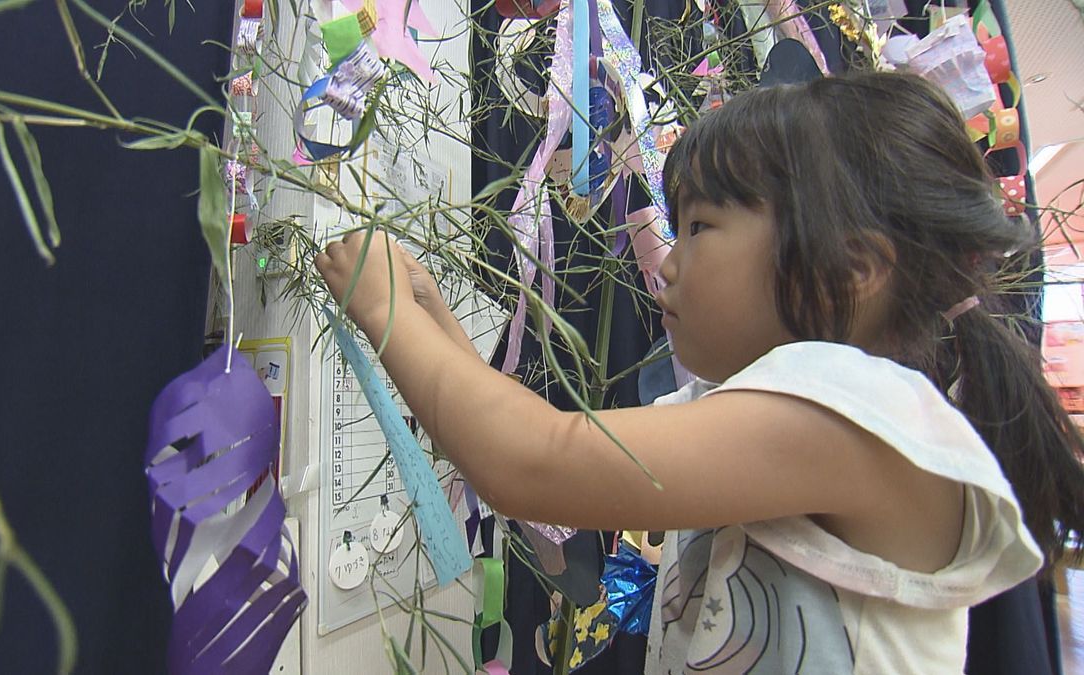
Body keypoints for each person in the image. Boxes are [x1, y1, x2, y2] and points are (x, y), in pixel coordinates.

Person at [315, 71, 1084, 673]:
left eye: (700, 227)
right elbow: (544, 462)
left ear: (852, 269)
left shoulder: (859, 410)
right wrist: (427, 315)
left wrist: (382, 309)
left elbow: (534, 459)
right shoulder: (760, 406)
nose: (667, 265)